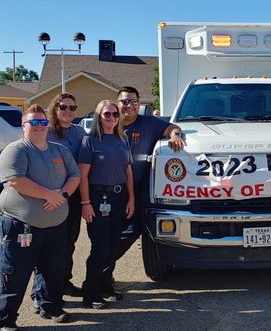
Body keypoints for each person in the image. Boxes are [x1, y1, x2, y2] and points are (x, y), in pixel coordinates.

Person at [0, 105, 80, 329]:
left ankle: (50, 306)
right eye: (33, 122)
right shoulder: (16, 150)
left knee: (54, 271)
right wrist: (49, 196)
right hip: (21, 227)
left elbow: (75, 175)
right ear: (24, 126)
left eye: (43, 122)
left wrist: (62, 195)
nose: (39, 127)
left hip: (55, 226)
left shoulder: (59, 150)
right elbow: (15, 181)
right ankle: (6, 318)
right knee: (13, 273)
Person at [110, 87, 184, 278]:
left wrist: (175, 136)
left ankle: (103, 268)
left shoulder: (149, 123)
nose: (129, 106)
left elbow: (172, 127)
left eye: (134, 101)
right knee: (106, 236)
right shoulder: (108, 124)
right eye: (125, 101)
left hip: (136, 189)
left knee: (132, 230)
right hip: (109, 190)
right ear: (117, 103)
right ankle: (102, 278)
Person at [31, 94, 88, 312]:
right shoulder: (46, 132)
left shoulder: (80, 131)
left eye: (72, 107)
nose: (68, 111)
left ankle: (63, 282)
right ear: (55, 108)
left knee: (68, 243)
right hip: (48, 196)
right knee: (46, 247)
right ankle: (39, 293)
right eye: (63, 107)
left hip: (70, 195)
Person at [78, 100, 134, 309]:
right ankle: (90, 292)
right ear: (98, 117)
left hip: (120, 198)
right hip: (98, 198)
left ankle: (104, 285)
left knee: (112, 247)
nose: (111, 118)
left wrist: (131, 199)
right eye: (107, 114)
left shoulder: (122, 139)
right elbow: (83, 175)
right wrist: (86, 203)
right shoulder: (90, 141)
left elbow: (128, 170)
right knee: (100, 247)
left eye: (115, 114)